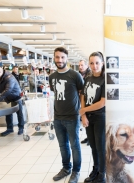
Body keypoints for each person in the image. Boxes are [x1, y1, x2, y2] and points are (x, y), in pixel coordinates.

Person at [49, 47, 84, 183]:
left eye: (62, 57)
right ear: (54, 58)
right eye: (57, 57)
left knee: (74, 145)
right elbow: (56, 94)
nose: (60, 60)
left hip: (72, 116)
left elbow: (82, 94)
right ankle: (66, 168)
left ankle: (76, 171)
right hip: (58, 118)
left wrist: (81, 111)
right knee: (63, 145)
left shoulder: (75, 75)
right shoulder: (52, 77)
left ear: (66, 59)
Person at [79, 52, 106, 183]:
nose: (94, 66)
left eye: (97, 63)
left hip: (100, 117)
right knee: (93, 146)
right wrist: (84, 115)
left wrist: (83, 110)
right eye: (92, 63)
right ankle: (95, 170)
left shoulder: (105, 80)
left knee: (101, 147)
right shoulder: (88, 78)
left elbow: (102, 102)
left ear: (102, 63)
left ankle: (102, 174)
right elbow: (83, 96)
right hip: (88, 117)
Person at [0, 66, 25, 136]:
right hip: (7, 98)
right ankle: (10, 128)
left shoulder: (10, 77)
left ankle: (21, 128)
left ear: (0, 72)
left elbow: (8, 90)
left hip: (16, 97)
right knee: (8, 114)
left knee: (19, 113)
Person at [78, 59, 92, 146]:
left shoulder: (90, 75)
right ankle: (88, 138)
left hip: (90, 101)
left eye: (82, 65)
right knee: (85, 121)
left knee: (89, 121)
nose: (80, 67)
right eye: (79, 65)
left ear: (87, 66)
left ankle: (91, 139)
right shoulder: (79, 75)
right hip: (83, 100)